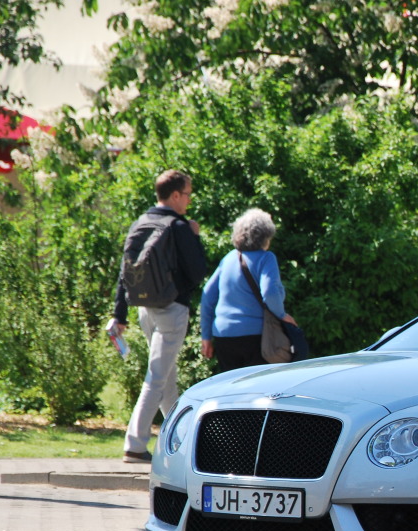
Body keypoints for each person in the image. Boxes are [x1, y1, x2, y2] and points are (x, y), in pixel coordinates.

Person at [113, 170, 207, 464]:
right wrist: (194, 237)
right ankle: (135, 444)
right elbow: (197, 270)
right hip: (172, 309)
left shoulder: (141, 222)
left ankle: (179, 439)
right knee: (157, 377)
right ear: (176, 195)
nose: (190, 201)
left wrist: (120, 313)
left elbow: (125, 272)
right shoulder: (179, 227)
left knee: (166, 377)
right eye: (189, 194)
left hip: (145, 309)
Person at [199, 208, 296, 373]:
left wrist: (206, 336)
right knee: (259, 391)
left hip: (224, 337)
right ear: (266, 236)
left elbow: (208, 296)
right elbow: (270, 293)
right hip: (255, 337)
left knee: (233, 390)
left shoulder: (228, 259)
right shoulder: (266, 258)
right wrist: (282, 315)